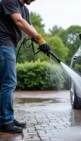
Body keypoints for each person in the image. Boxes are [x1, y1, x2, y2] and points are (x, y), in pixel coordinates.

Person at [0, 0, 51, 133]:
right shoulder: (9, 0)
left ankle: (5, 118)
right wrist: (38, 37)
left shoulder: (25, 10)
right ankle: (6, 120)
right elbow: (18, 21)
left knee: (4, 83)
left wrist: (40, 40)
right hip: (3, 44)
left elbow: (29, 26)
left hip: (9, 46)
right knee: (9, 82)